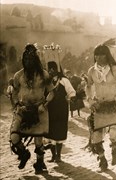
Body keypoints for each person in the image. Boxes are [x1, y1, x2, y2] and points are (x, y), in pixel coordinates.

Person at [10, 44, 54, 174]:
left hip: (39, 110)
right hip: (23, 110)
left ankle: (40, 163)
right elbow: (14, 92)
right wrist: (17, 104)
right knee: (14, 137)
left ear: (36, 61)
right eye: (26, 59)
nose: (29, 62)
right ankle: (24, 154)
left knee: (38, 140)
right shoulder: (18, 76)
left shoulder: (44, 75)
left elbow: (51, 92)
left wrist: (44, 104)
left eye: (31, 59)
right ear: (23, 60)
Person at [85, 43, 116, 171]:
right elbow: (88, 86)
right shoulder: (92, 71)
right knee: (95, 138)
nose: (99, 57)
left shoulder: (115, 69)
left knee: (113, 134)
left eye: (102, 55)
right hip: (99, 106)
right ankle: (102, 160)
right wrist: (90, 100)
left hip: (114, 105)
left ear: (107, 56)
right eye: (96, 55)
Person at [46, 61, 76, 163]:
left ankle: (58, 155)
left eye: (53, 69)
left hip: (61, 109)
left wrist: (71, 97)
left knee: (59, 131)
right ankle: (53, 156)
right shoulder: (47, 81)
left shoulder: (64, 80)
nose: (50, 71)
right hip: (50, 109)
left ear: (57, 69)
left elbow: (71, 91)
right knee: (51, 132)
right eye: (49, 69)